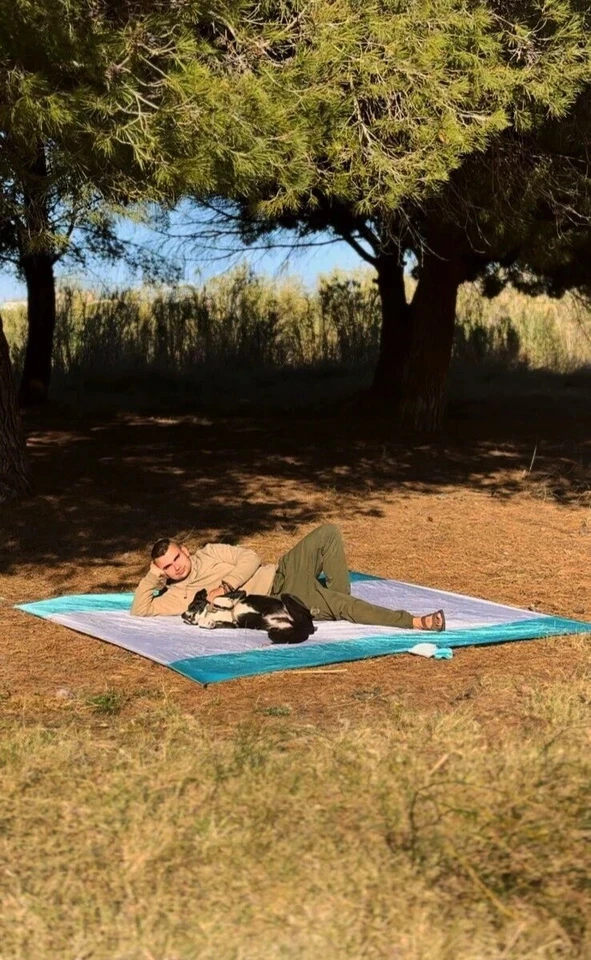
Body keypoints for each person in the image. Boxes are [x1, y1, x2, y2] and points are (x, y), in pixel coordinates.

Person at [130, 523, 445, 631]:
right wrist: (152, 576)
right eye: (168, 567)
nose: (177, 568)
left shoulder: (210, 552)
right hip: (281, 599)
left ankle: (338, 603)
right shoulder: (178, 595)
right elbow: (140, 609)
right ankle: (413, 622)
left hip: (281, 572)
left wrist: (224, 586)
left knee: (328, 533)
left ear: (185, 550)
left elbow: (250, 557)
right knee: (336, 602)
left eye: (176, 559)